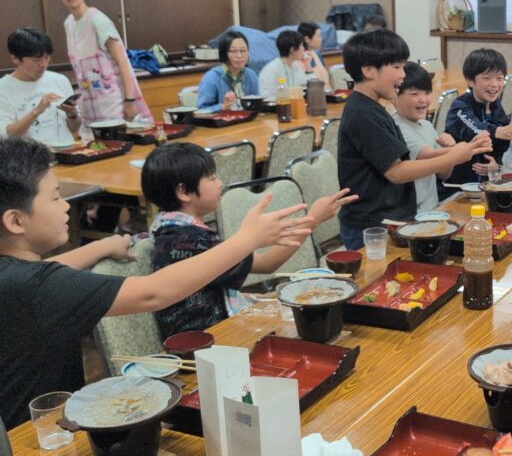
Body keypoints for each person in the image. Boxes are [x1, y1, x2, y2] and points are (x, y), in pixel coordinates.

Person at [0, 136, 313, 427]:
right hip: (32, 437)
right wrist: (246, 240)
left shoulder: (16, 276)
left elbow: (48, 270)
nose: (66, 205)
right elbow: (154, 293)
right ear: (15, 220)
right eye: (56, 198)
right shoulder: (36, 287)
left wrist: (103, 245)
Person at [142, 142, 356, 336]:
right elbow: (267, 264)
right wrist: (313, 219)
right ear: (183, 192)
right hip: (209, 340)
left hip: (208, 333)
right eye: (212, 178)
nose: (220, 183)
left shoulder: (168, 229)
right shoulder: (192, 240)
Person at [336, 29, 491, 250]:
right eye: (396, 67)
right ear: (369, 70)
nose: (402, 75)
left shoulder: (371, 108)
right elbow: (396, 172)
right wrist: (453, 156)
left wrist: (463, 150)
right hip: (371, 224)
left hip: (386, 218)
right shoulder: (363, 113)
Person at [56, 0, 152, 126]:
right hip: (89, 104)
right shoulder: (69, 24)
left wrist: (129, 100)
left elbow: (123, 61)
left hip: (114, 102)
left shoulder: (97, 20)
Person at [444, 48, 512, 184]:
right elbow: (474, 128)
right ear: (470, 80)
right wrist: (497, 131)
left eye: (499, 78)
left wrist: (496, 165)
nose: (494, 84)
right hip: (458, 185)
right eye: (486, 78)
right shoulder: (459, 106)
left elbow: (501, 147)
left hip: (486, 183)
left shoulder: (496, 105)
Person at [393, 62, 457, 213]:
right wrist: (460, 150)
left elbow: (443, 174)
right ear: (394, 96)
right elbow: (428, 155)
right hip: (414, 213)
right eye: (414, 94)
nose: (423, 99)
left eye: (427, 92)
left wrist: (450, 148)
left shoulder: (427, 125)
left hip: (433, 208)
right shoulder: (397, 127)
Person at [0, 29, 79, 147]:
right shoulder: (3, 89)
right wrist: (36, 111)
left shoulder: (60, 80)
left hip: (67, 152)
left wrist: (72, 114)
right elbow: (5, 136)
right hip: (30, 157)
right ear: (15, 58)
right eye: (36, 60)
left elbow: (75, 128)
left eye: (46, 58)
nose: (43, 64)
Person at [195, 30, 260, 112]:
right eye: (233, 51)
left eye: (243, 51)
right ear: (224, 53)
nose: (239, 55)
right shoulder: (211, 77)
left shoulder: (251, 75)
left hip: (248, 119)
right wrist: (223, 107)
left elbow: (257, 105)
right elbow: (201, 110)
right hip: (223, 119)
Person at [259, 30, 314, 100]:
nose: (303, 49)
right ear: (292, 49)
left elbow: (308, 88)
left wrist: (308, 66)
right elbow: (267, 97)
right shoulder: (272, 69)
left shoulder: (295, 67)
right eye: (301, 46)